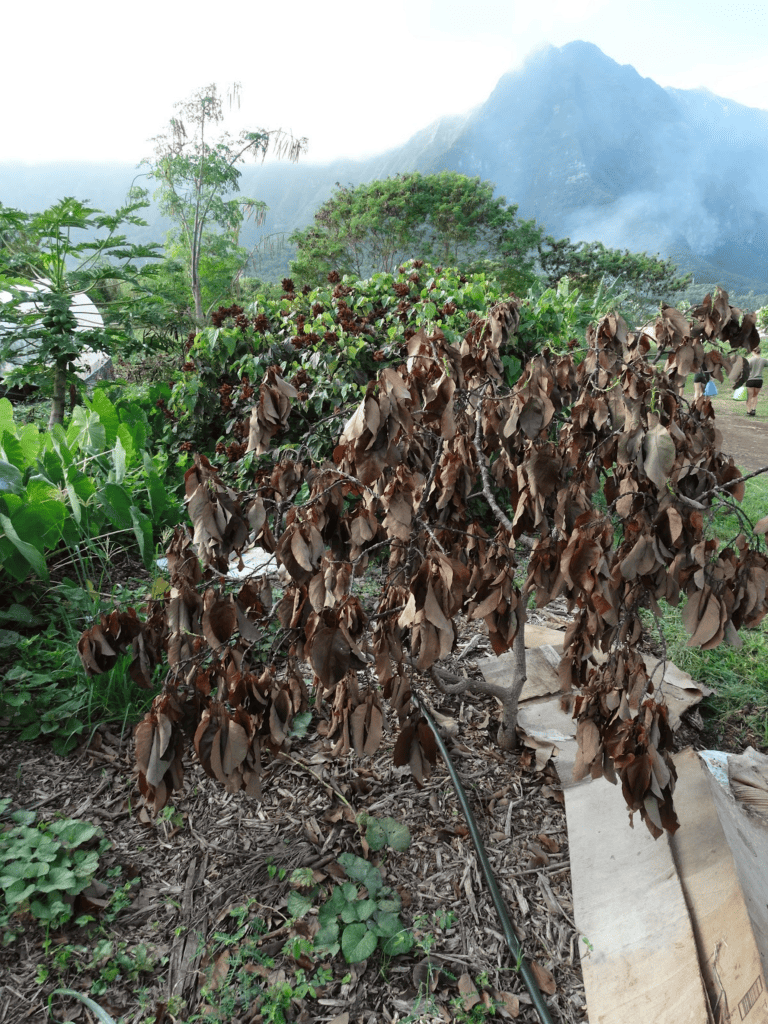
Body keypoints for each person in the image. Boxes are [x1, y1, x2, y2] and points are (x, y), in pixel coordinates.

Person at [745, 345, 768, 417]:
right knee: (755, 396)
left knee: (749, 396)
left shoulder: (750, 360)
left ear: (753, 351)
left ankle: (749, 411)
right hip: (759, 380)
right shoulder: (764, 360)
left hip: (750, 380)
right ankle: (754, 409)